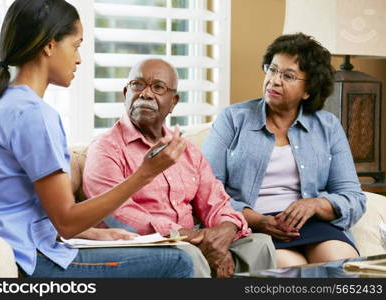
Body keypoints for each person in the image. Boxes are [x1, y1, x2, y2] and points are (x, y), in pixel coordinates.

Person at [0, 0, 193, 278]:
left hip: (10, 246)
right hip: (27, 260)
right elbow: (65, 221)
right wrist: (145, 174)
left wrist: (95, 233)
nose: (79, 58)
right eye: (76, 46)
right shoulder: (34, 115)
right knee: (178, 262)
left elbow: (16, 207)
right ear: (50, 45)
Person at [82, 58, 277, 278]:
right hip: (143, 245)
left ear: (173, 101)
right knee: (187, 255)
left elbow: (216, 201)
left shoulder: (186, 151)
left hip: (191, 240)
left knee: (259, 244)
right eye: (137, 85)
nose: (145, 94)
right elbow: (117, 213)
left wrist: (224, 231)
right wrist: (184, 236)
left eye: (157, 87)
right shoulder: (106, 148)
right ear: (125, 93)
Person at [202, 32, 366, 268]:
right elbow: (207, 191)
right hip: (255, 227)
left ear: (308, 90)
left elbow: (353, 198)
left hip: (312, 225)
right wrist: (258, 220)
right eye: (272, 69)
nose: (274, 80)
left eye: (288, 75)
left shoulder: (327, 126)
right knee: (293, 269)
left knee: (341, 265)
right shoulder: (232, 119)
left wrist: (315, 204)